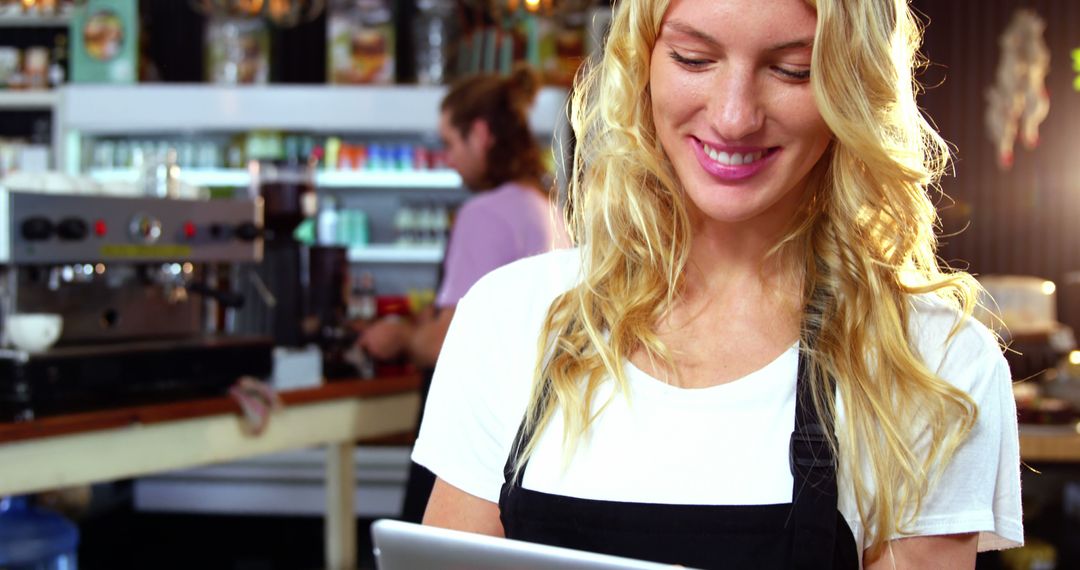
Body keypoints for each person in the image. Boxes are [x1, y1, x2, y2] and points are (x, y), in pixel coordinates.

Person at [412, 0, 1024, 568]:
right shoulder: (508, 319)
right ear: (641, 62)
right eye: (693, 59)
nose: (734, 117)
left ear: (854, 88)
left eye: (791, 69)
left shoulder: (932, 364)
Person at [358, 64, 569, 522]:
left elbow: (444, 342)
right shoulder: (548, 209)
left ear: (480, 134)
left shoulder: (485, 215)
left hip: (476, 435)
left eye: (450, 143)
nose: (448, 159)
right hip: (535, 438)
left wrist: (399, 338)